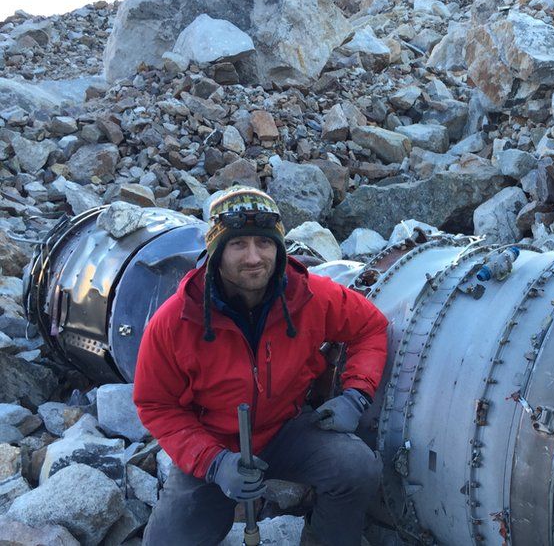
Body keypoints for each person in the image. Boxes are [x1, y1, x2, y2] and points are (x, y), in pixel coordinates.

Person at [134, 186, 389, 546]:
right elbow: (155, 404)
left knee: (357, 468)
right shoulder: (175, 321)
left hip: (285, 429)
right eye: (238, 244)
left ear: (279, 248)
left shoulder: (310, 296)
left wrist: (355, 397)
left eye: (264, 243)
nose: (254, 257)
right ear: (216, 252)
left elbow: (370, 326)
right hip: (214, 440)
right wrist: (213, 463)